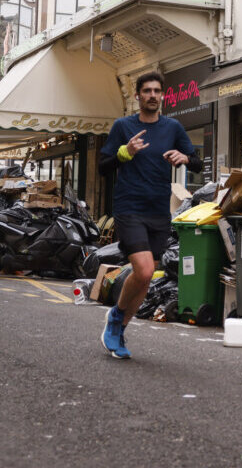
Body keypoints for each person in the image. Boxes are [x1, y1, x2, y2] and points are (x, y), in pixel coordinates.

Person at [97, 71, 203, 359]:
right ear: (138, 96)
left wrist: (185, 158)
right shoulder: (123, 126)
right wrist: (125, 152)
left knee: (145, 278)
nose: (153, 95)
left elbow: (196, 162)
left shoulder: (173, 128)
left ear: (162, 96)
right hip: (129, 207)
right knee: (143, 270)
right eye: (147, 91)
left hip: (159, 211)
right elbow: (102, 166)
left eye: (157, 91)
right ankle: (117, 316)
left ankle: (119, 327)